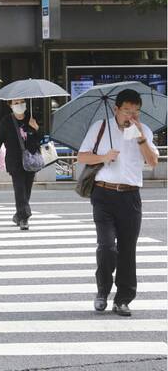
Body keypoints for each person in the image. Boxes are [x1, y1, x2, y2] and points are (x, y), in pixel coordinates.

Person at [77, 89, 158, 317]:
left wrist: (140, 135)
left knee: (127, 250)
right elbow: (82, 156)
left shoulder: (143, 131)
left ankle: (123, 299)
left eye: (135, 112)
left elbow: (152, 162)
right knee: (107, 246)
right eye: (126, 111)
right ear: (116, 109)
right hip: (103, 195)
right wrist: (104, 157)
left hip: (130, 196)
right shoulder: (100, 127)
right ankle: (102, 291)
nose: (130, 116)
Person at [0, 98, 42, 230]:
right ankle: (24, 218)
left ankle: (19, 215)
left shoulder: (31, 118)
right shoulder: (6, 121)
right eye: (16, 103)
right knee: (20, 190)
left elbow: (39, 140)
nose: (19, 105)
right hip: (14, 161)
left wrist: (36, 129)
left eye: (22, 102)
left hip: (30, 161)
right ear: (10, 105)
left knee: (27, 190)